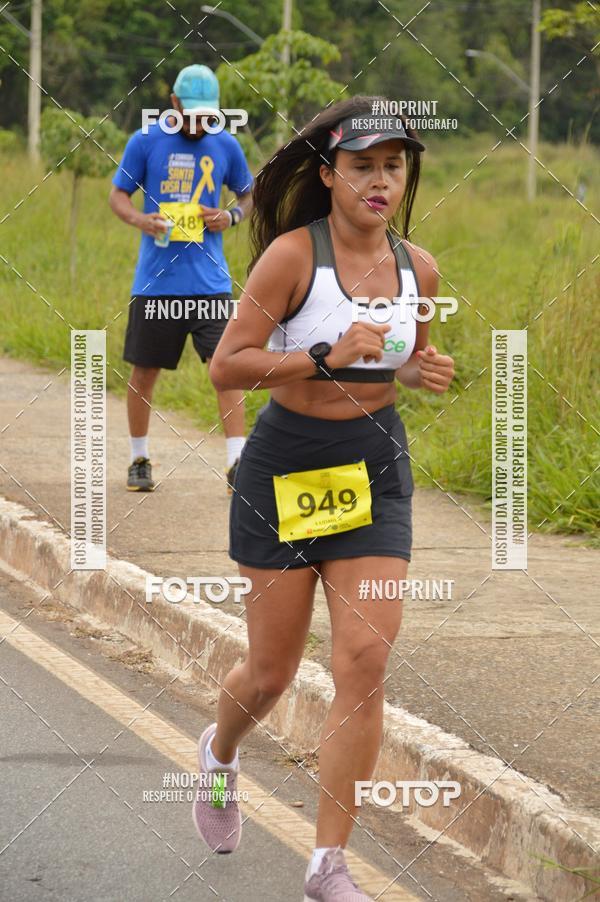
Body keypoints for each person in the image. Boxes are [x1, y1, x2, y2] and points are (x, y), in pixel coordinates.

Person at [194, 95, 455, 901]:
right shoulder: (290, 258)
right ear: (329, 175)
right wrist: (320, 356)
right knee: (270, 672)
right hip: (287, 470)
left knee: (364, 663)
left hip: (373, 467)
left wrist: (419, 370)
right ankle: (219, 755)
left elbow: (397, 358)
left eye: (393, 167)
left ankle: (327, 864)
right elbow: (227, 365)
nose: (380, 181)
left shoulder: (419, 268)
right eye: (362, 166)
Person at [109, 64, 253, 492]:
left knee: (226, 370)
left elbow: (249, 194)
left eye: (207, 115)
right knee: (144, 372)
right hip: (156, 283)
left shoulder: (226, 144)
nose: (198, 123)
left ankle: (237, 463)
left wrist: (231, 216)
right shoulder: (145, 141)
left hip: (210, 284)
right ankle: (138, 458)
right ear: (174, 103)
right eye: (191, 114)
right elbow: (118, 195)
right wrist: (141, 220)